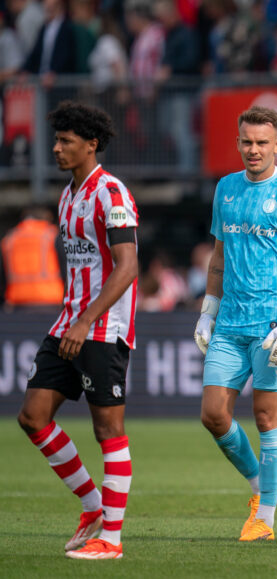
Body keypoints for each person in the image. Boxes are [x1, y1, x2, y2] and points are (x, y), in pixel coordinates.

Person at [16, 101, 139, 560]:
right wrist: (75, 318)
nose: (57, 148)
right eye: (56, 140)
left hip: (102, 328)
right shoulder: (68, 195)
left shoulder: (113, 194)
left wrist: (87, 319)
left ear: (92, 144)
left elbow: (128, 267)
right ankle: (92, 507)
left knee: (108, 429)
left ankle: (112, 539)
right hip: (68, 324)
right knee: (33, 416)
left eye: (66, 141)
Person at [193, 105, 277, 542]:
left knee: (267, 416)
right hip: (229, 322)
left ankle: (263, 517)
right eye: (246, 141)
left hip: (272, 323)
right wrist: (208, 309)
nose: (253, 149)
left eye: (262, 142)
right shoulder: (226, 189)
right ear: (238, 142)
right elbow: (218, 257)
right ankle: (261, 485)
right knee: (213, 414)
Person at [0, 205, 65, 310]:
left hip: (16, 304)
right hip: (51, 302)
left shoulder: (9, 239)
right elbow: (66, 270)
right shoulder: (53, 236)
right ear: (48, 217)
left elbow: (3, 276)